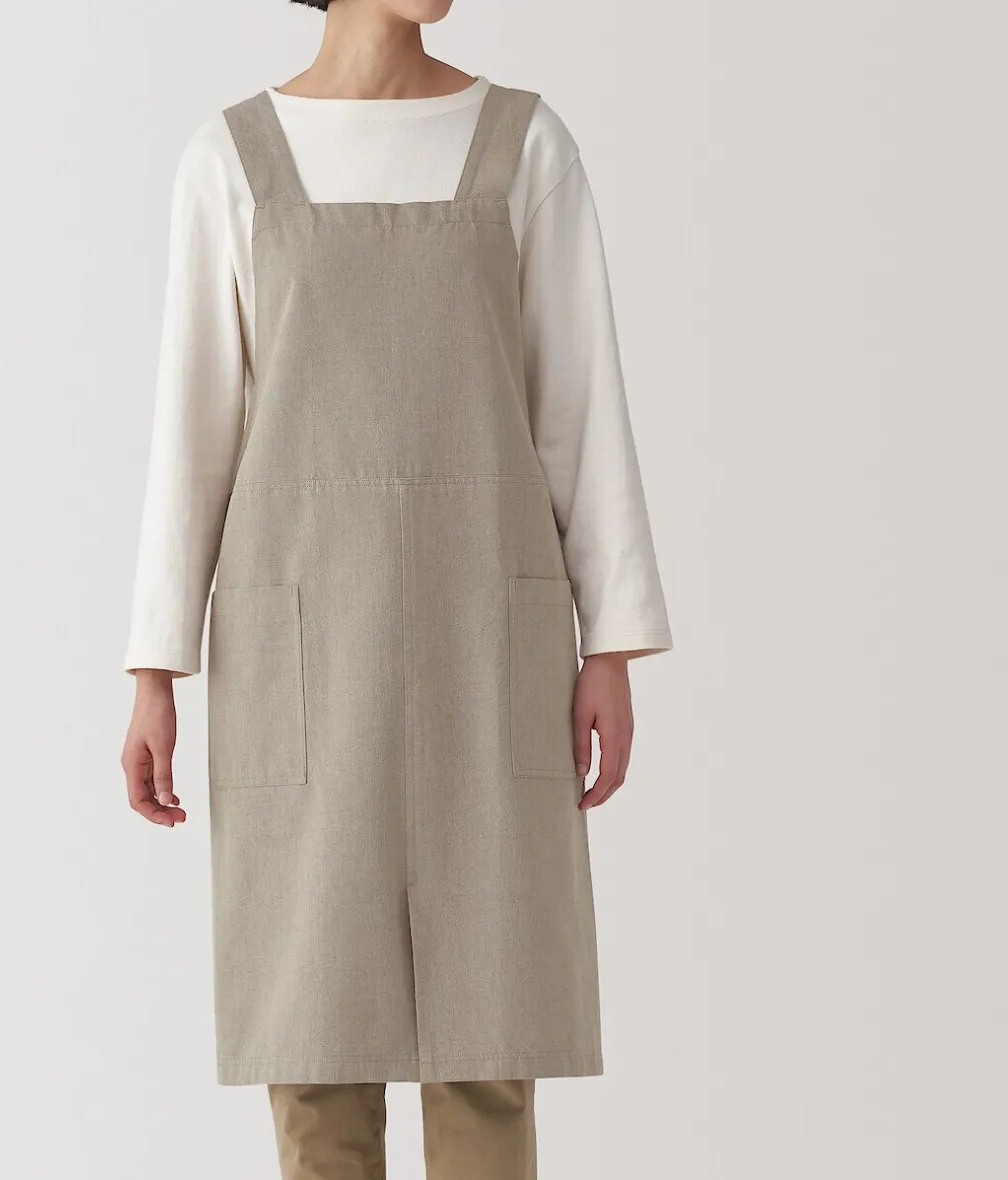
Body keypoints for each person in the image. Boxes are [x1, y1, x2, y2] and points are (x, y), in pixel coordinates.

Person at [121, 1, 672, 1176]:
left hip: (487, 641)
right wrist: (155, 668)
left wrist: (611, 643)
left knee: (490, 1047)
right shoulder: (230, 159)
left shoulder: (525, 143)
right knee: (313, 1049)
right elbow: (193, 425)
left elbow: (578, 404)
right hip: (302, 650)